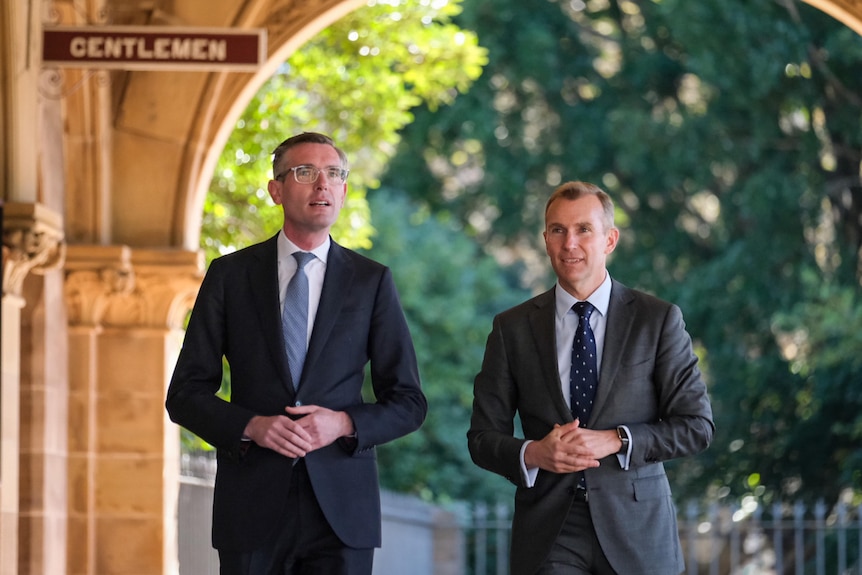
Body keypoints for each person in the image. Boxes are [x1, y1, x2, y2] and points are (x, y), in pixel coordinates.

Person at [166, 131, 427, 575]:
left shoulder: (371, 281)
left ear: (344, 191)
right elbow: (185, 394)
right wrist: (251, 426)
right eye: (305, 172)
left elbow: (408, 402)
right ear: (276, 190)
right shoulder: (229, 276)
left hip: (342, 512)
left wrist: (343, 423)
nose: (322, 184)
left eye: (334, 174)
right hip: (250, 506)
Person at [467, 181, 714, 575]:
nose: (570, 244)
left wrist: (616, 439)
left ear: (609, 239)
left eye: (584, 229)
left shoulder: (657, 320)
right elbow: (481, 438)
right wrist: (534, 453)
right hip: (550, 530)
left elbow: (697, 426)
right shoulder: (510, 328)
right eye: (558, 230)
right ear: (545, 240)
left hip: (638, 530)